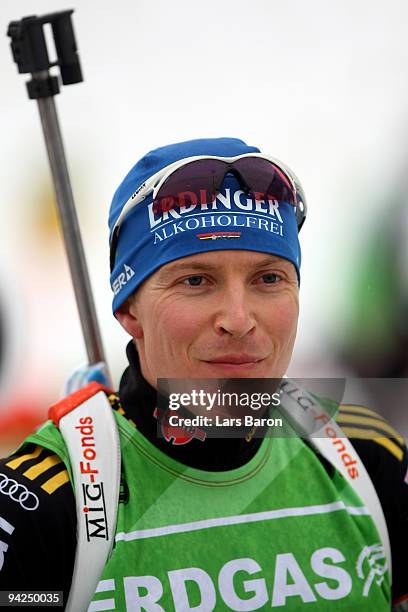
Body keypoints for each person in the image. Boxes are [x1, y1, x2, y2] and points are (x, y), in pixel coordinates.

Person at [0, 138, 406, 611]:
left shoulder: (367, 459)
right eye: (196, 281)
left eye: (268, 279)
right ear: (129, 309)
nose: (238, 318)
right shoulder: (41, 506)